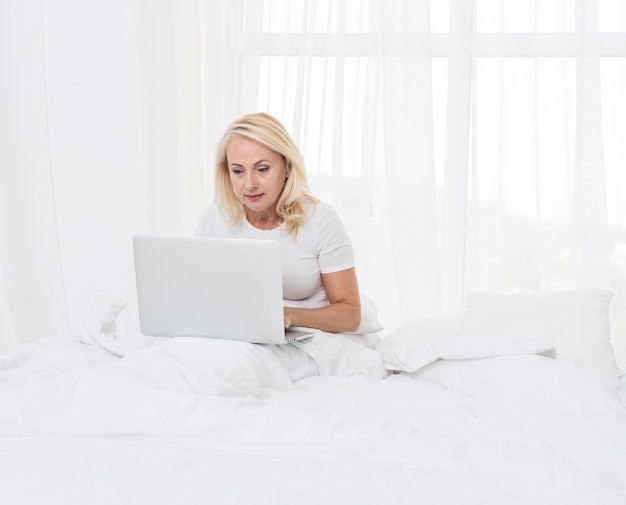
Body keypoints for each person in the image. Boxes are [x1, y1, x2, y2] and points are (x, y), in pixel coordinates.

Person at [195, 112, 361, 334]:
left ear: (288, 167)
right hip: (234, 336)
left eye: (262, 169)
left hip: (303, 340)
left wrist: (289, 315)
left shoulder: (321, 219)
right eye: (238, 171)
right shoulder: (215, 217)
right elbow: (199, 294)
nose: (250, 184)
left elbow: (350, 316)